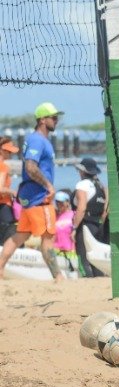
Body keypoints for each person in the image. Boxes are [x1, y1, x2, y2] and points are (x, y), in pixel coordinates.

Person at [0, 103, 66, 280]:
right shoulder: (37, 139)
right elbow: (30, 167)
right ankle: (58, 277)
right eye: (53, 117)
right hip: (39, 197)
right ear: (42, 120)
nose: (57, 120)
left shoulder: (40, 140)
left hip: (30, 197)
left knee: (19, 236)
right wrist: (49, 186)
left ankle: (0, 269)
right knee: (47, 239)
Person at [72, 156, 109, 278]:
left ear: (83, 171)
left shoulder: (82, 185)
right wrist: (101, 223)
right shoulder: (101, 186)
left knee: (83, 256)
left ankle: (86, 280)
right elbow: (106, 209)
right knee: (96, 257)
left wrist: (74, 228)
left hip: (85, 224)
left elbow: (81, 208)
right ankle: (99, 279)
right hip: (98, 225)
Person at [52, 191, 76, 273]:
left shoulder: (74, 215)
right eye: (57, 202)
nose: (59, 204)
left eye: (61, 202)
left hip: (71, 252)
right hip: (56, 251)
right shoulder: (55, 216)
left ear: (68, 202)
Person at [0, 137, 18, 249]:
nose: (11, 154)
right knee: (9, 238)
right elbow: (0, 189)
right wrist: (14, 192)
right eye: (9, 151)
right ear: (1, 150)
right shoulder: (3, 167)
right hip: (4, 207)